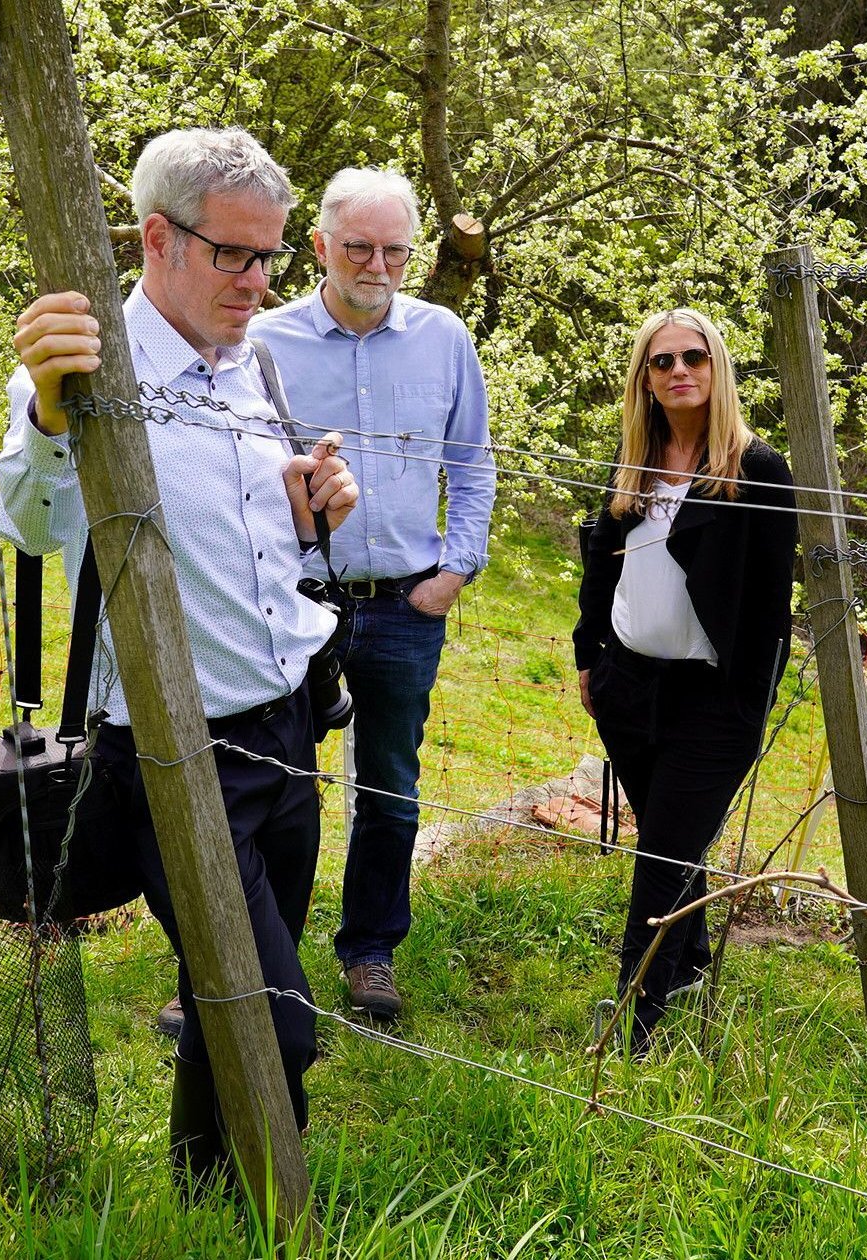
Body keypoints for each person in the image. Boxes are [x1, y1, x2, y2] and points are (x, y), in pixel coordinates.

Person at [0, 125, 357, 1184]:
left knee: (233, 988)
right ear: (158, 239)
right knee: (274, 1024)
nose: (257, 282)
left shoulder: (254, 366)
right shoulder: (88, 368)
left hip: (286, 727)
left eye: (271, 256)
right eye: (233, 255)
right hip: (169, 747)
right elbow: (27, 517)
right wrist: (51, 411)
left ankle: (203, 1188)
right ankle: (274, 1204)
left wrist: (308, 513)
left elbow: (241, 543)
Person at [251, 167, 496, 1022]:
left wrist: (455, 572)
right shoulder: (264, 341)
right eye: (359, 247)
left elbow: (471, 463)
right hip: (293, 599)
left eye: (395, 249)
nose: (378, 265)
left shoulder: (444, 338)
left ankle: (370, 951)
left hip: (404, 602)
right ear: (319, 246)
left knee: (389, 783)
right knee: (275, 783)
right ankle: (264, 959)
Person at [571, 308, 796, 1053]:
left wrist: (747, 705)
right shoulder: (633, 460)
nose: (677, 372)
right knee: (671, 843)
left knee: (662, 856)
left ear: (717, 367)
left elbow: (769, 607)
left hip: (711, 699)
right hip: (628, 687)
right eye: (660, 361)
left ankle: (634, 1021)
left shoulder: (757, 471)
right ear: (644, 378)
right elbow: (599, 565)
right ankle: (690, 962)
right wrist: (588, 658)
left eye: (691, 357)